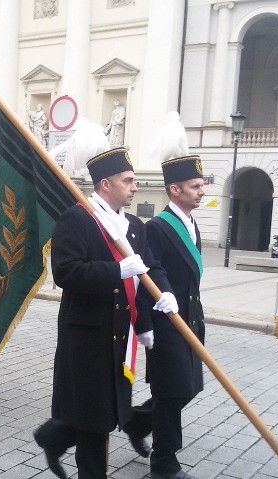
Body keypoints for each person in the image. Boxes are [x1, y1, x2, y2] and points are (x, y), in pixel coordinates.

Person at [33, 147, 176, 478]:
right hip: (87, 343)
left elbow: (152, 267)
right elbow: (66, 272)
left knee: (105, 416)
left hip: (119, 339)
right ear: (105, 184)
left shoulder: (135, 227)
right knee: (95, 427)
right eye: (128, 180)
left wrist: (164, 291)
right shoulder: (79, 218)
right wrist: (117, 271)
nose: (135, 187)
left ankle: (53, 438)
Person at [126, 153, 205, 479]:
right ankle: (164, 463)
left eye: (202, 185)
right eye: (195, 186)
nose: (202, 191)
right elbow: (147, 279)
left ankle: (137, 422)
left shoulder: (192, 222)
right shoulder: (157, 227)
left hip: (191, 319)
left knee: (189, 387)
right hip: (167, 323)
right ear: (175, 190)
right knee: (172, 392)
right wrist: (144, 323)